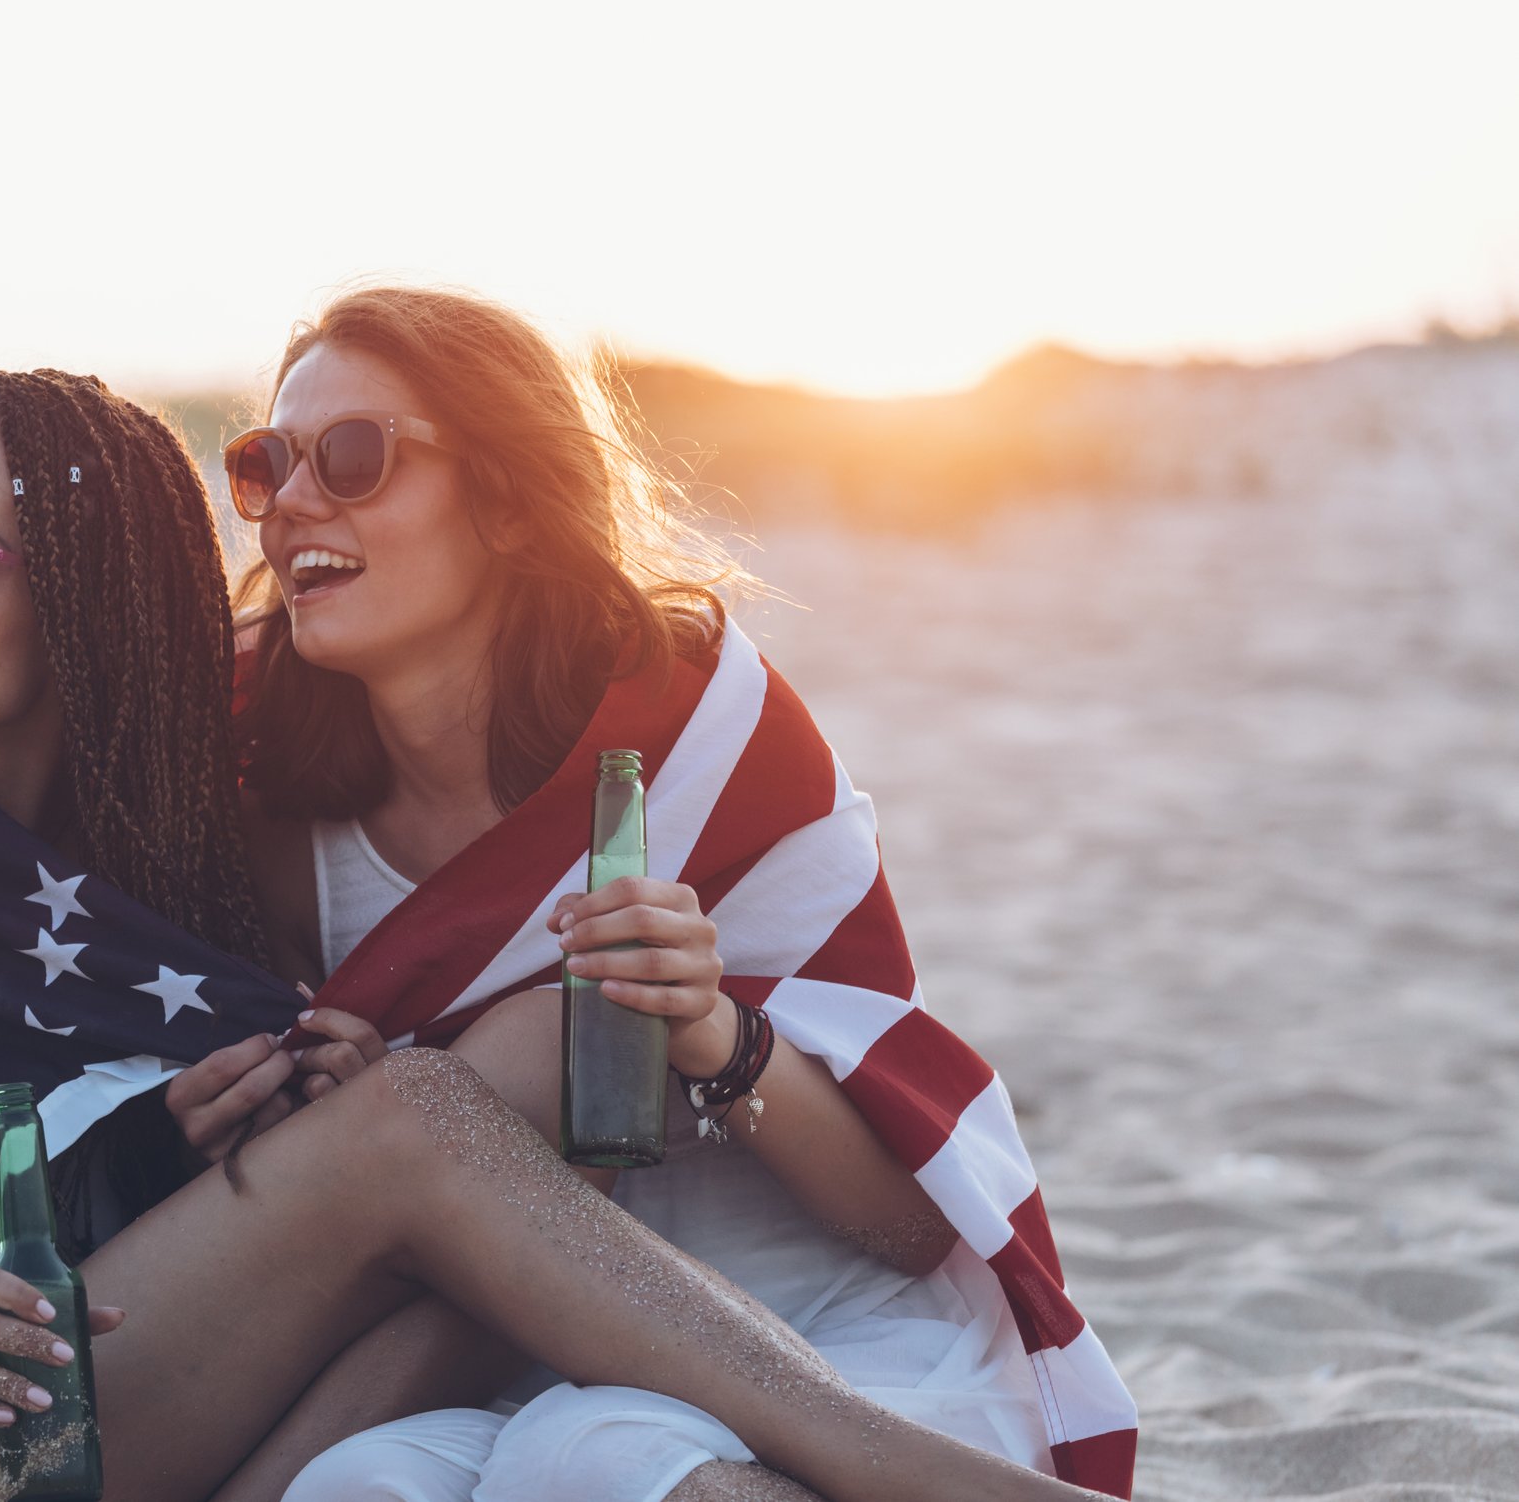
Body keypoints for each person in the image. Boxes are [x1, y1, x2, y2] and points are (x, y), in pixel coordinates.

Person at [0, 367, 1117, 1502]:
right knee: (419, 1120)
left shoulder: (152, 860)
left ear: (82, 605)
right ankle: (920, 1481)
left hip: (144, 1418)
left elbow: (153, 1226)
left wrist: (192, 1145)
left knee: (514, 1088)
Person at [165, 287, 1138, 1502]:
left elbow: (907, 1225)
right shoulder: (255, 786)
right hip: (506, 1363)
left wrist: (713, 1034)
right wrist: (325, 1115)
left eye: (351, 457)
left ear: (512, 500)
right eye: (265, 464)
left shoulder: (702, 742)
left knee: (603, 1460)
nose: (290, 503)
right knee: (357, 1486)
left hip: (822, 1341)